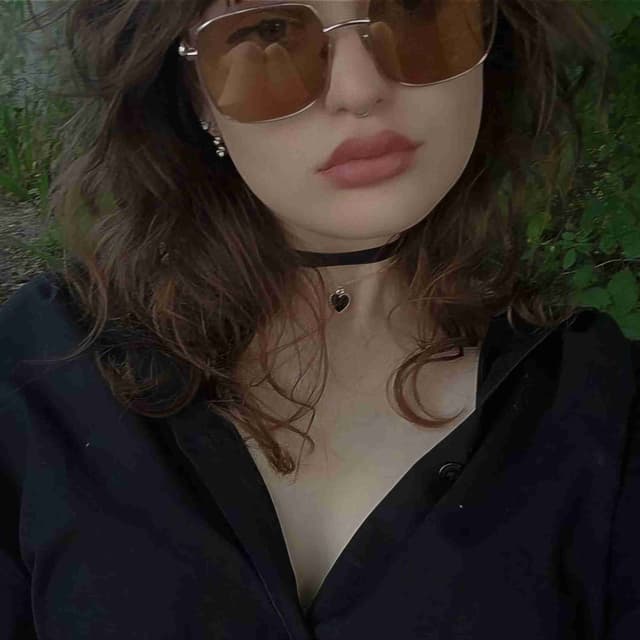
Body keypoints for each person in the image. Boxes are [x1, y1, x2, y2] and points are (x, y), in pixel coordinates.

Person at [1, 0, 638, 637]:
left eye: (417, 10)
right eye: (268, 32)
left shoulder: (606, 410)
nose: (359, 90)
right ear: (195, 97)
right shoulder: (40, 376)